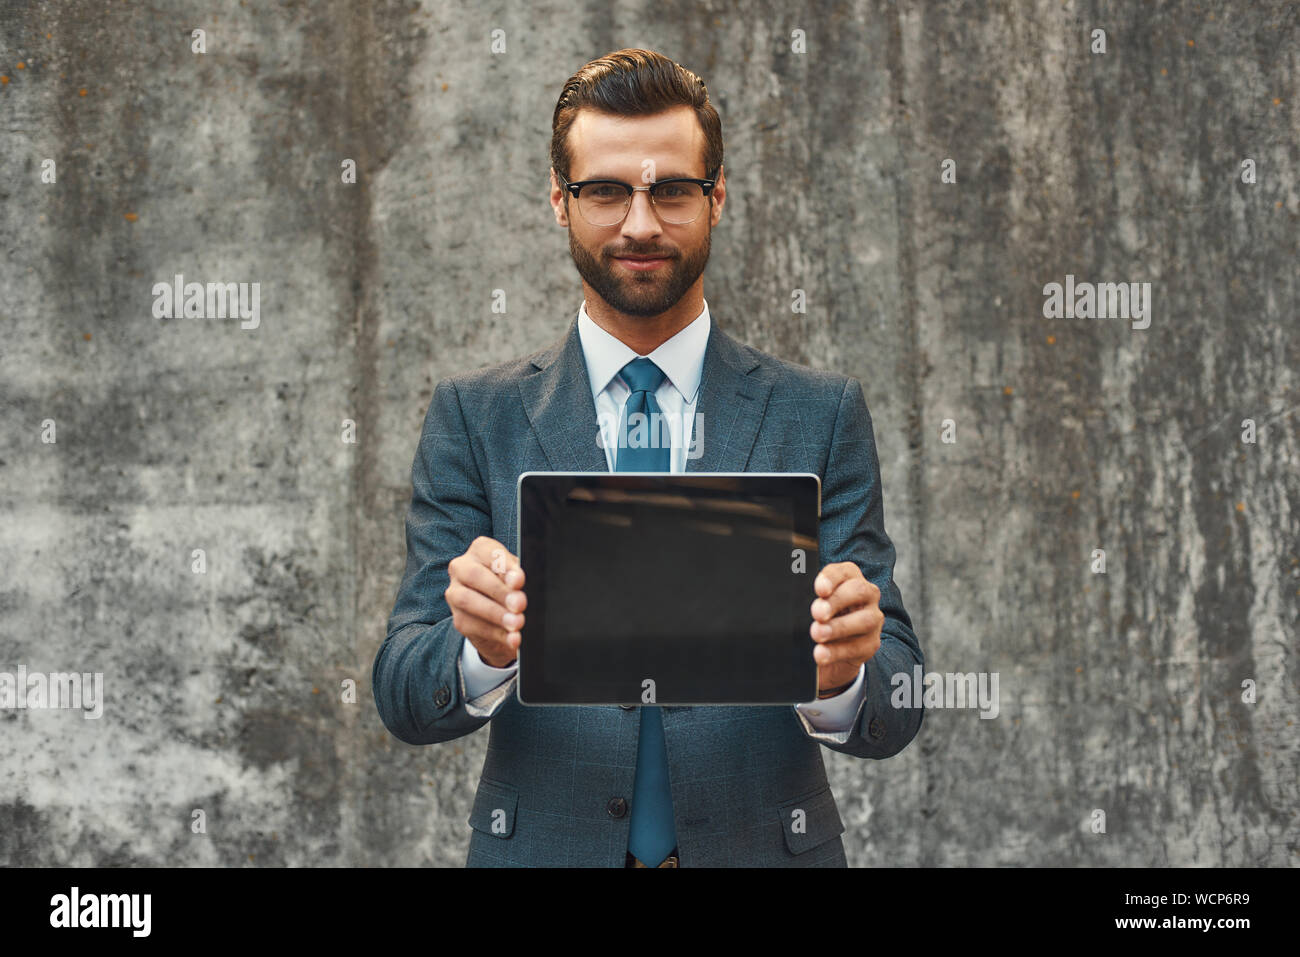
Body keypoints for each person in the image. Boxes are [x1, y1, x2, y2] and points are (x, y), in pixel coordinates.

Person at [373, 48, 924, 867]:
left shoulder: (820, 413)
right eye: (605, 191)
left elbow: (898, 703)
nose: (639, 223)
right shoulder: (475, 416)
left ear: (719, 196)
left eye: (672, 189)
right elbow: (403, 694)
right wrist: (477, 651)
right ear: (559, 201)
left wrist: (844, 673)